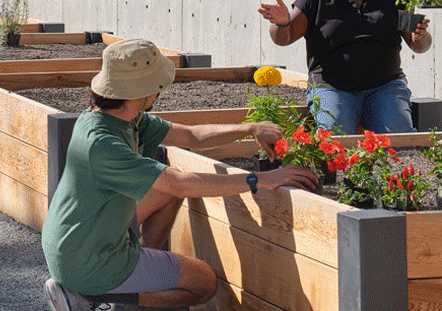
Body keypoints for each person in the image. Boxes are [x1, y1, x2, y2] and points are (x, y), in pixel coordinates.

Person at [42, 39, 317, 311]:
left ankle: (132, 278)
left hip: (77, 241)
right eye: (157, 87)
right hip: (87, 260)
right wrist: (259, 180)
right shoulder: (102, 143)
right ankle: (89, 297)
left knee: (166, 193)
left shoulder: (121, 117)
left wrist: (250, 128)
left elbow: (190, 135)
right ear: (143, 92)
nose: (160, 92)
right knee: (204, 282)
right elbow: (179, 183)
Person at [257, 0, 432, 135]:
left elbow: (418, 45)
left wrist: (420, 35)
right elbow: (284, 37)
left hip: (385, 88)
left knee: (401, 136)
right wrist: (282, 22)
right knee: (333, 137)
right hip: (333, 89)